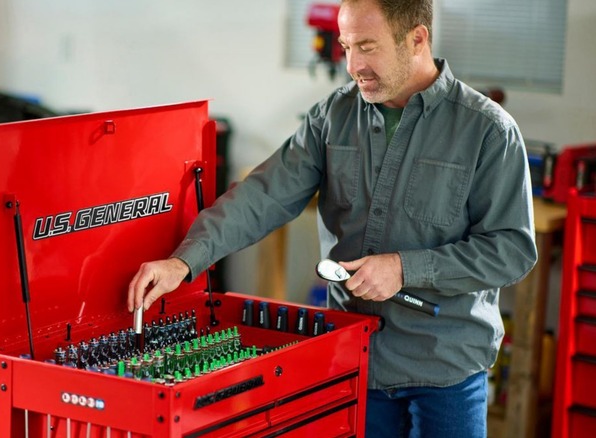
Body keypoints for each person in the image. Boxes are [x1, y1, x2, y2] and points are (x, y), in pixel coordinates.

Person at [127, 0, 537, 436]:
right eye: (346, 46)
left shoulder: (489, 131)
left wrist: (404, 269)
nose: (353, 65)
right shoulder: (332, 117)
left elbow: (511, 250)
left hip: (445, 371)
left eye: (367, 46)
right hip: (354, 358)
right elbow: (263, 196)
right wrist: (185, 261)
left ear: (417, 39)